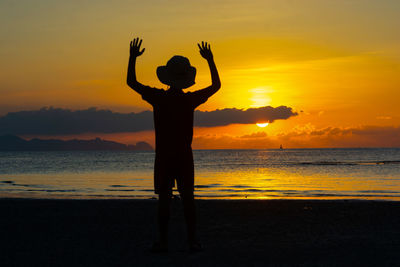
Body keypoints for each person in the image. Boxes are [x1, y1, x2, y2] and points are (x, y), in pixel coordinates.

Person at [127, 37, 221, 252]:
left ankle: (164, 242)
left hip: (164, 156)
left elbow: (131, 82)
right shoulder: (189, 100)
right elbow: (216, 85)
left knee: (164, 200)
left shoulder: (158, 97)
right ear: (187, 77)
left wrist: (132, 58)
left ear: (167, 78)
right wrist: (210, 60)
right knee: (188, 200)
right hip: (184, 156)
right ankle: (192, 242)